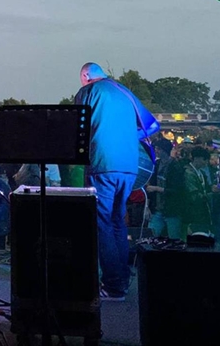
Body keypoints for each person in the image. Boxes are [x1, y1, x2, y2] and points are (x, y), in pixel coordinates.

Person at [74, 62, 157, 301]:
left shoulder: (89, 91)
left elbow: (77, 126)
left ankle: (112, 286)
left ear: (86, 76)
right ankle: (121, 279)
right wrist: (127, 135)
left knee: (102, 224)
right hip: (129, 167)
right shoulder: (124, 91)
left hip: (103, 164)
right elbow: (152, 125)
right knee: (117, 222)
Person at [184, 147, 213, 235]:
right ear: (196, 158)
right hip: (191, 214)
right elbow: (194, 196)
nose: (206, 162)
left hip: (201, 213)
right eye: (204, 160)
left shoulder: (200, 173)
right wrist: (212, 194)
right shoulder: (188, 173)